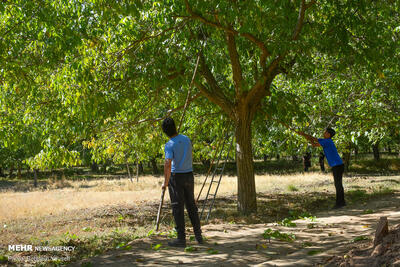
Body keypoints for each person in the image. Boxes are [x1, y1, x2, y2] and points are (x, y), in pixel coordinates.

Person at [161, 117, 203, 247]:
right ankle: (198, 236)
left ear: (165, 131)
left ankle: (181, 239)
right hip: (189, 175)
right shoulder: (186, 139)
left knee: (177, 208)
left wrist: (165, 182)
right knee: (191, 206)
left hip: (176, 177)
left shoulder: (169, 144)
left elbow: (168, 163)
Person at [299, 127, 346, 209]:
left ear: (328, 134)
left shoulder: (327, 141)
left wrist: (303, 134)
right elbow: (314, 144)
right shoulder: (326, 142)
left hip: (337, 165)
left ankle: (340, 203)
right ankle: (341, 202)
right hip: (338, 165)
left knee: (338, 184)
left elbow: (314, 139)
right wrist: (307, 137)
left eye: (325, 132)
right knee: (338, 184)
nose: (324, 133)